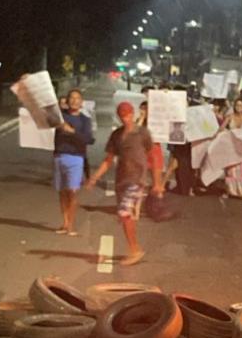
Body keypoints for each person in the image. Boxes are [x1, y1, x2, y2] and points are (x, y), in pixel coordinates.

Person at [87, 102, 162, 266]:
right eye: (122, 116)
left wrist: (157, 182)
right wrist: (95, 177)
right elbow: (108, 160)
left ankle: (135, 250)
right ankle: (134, 248)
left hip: (137, 179)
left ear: (133, 114)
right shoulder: (116, 135)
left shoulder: (142, 133)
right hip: (121, 179)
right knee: (125, 215)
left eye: (127, 115)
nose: (125, 119)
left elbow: (154, 156)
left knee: (124, 213)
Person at [53, 89, 94, 236]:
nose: (74, 101)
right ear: (67, 100)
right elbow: (44, 114)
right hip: (59, 156)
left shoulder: (85, 120)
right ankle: (64, 223)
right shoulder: (60, 118)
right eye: (72, 98)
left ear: (82, 102)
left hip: (76, 158)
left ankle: (71, 224)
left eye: (77, 98)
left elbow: (89, 139)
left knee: (72, 191)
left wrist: (72, 132)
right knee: (62, 192)